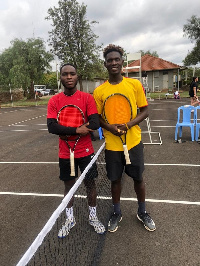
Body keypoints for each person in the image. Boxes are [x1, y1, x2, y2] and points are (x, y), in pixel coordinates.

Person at [93, 44, 156, 233]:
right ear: (105, 64)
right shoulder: (99, 91)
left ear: (122, 62)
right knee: (115, 180)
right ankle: (116, 212)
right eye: (110, 60)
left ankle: (142, 211)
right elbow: (97, 117)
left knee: (138, 178)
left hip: (134, 141)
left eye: (116, 59)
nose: (113, 63)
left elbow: (145, 110)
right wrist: (109, 127)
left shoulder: (134, 85)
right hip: (112, 145)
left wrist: (129, 125)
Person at [47, 63, 105, 238]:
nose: (69, 77)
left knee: (90, 184)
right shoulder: (54, 101)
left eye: (72, 74)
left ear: (77, 76)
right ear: (61, 77)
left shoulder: (87, 98)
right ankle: (69, 219)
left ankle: (93, 218)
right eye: (65, 74)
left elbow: (95, 123)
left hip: (86, 150)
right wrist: (76, 130)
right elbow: (51, 127)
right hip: (65, 153)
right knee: (69, 186)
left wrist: (71, 129)